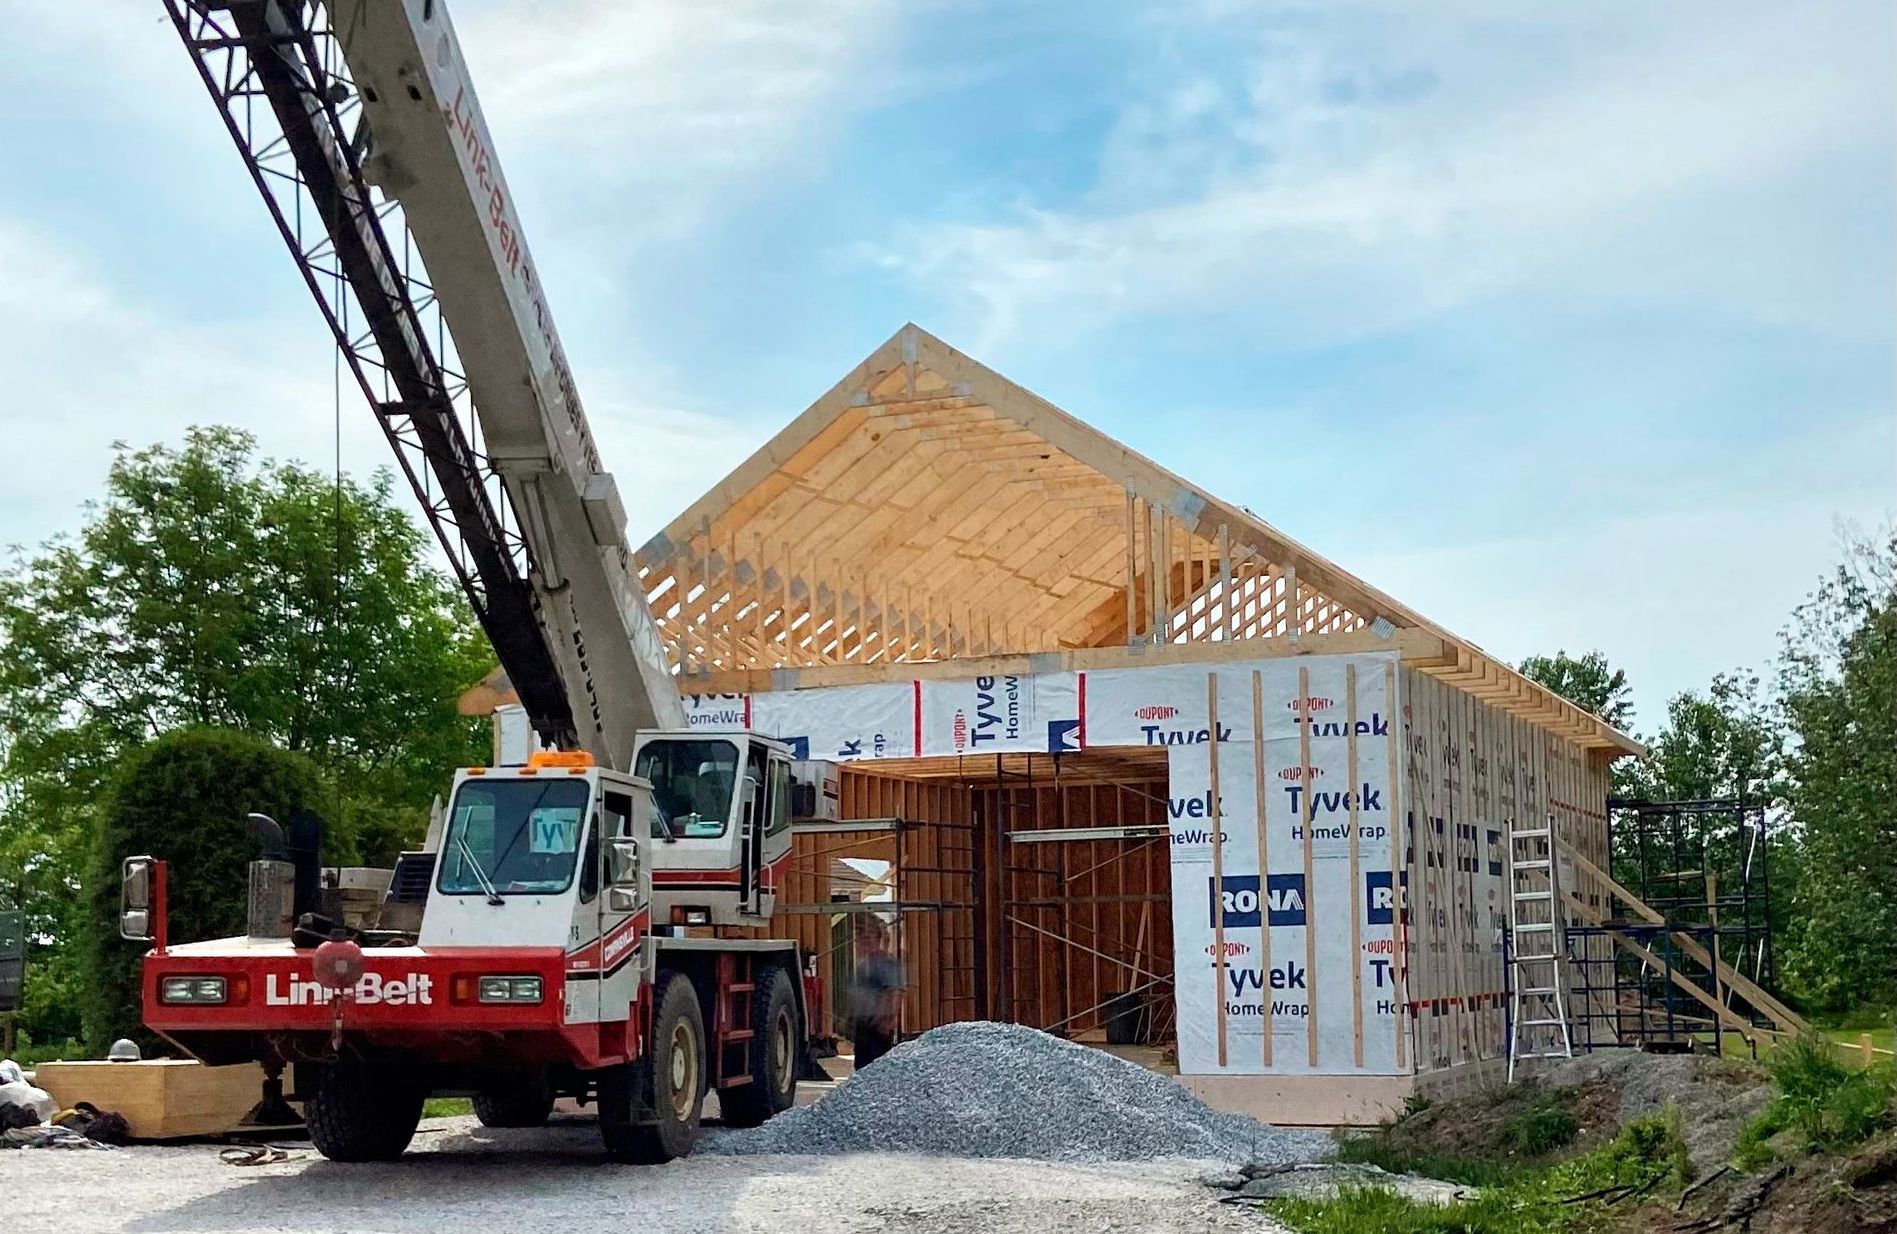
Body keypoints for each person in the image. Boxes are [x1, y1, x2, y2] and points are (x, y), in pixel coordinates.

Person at [846, 915, 904, 1070]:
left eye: (867, 938)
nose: (862, 942)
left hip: (877, 1025)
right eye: (860, 938)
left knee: (875, 1066)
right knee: (862, 1066)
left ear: (876, 939)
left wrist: (888, 1019)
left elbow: (894, 991)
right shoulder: (862, 965)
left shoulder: (885, 963)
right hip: (863, 1024)